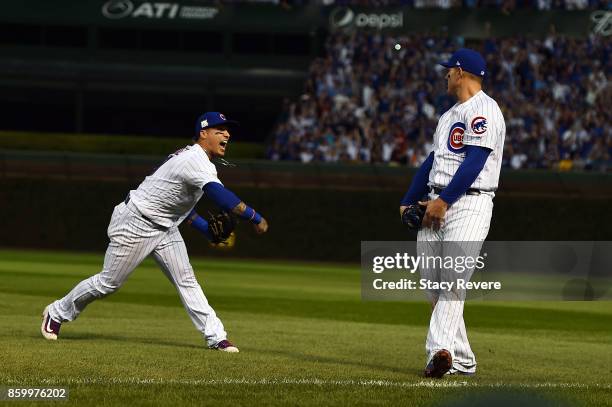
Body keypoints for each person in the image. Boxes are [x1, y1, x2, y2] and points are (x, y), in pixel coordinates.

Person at [41, 112, 268, 353]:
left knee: (187, 281)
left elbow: (183, 210)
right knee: (108, 283)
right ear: (203, 133)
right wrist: (255, 217)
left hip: (165, 227)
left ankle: (216, 337)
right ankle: (56, 312)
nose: (227, 134)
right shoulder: (195, 160)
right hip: (136, 223)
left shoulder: (198, 161)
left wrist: (206, 231)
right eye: (219, 130)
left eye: (227, 130)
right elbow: (220, 196)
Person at [400, 49, 506, 377]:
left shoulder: (485, 110)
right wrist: (409, 199)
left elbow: (474, 162)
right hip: (435, 202)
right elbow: (433, 161)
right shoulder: (448, 116)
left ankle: (439, 353)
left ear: (460, 72)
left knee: (453, 279)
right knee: (433, 286)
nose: (445, 75)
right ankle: (462, 358)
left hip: (469, 204)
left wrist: (444, 201)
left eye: (449, 70)